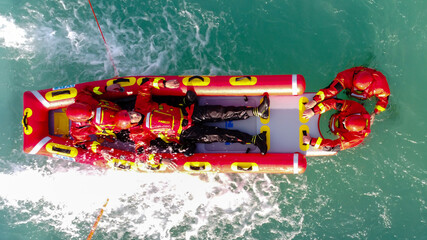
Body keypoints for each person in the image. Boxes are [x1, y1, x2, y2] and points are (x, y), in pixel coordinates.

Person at [120, 78, 269, 164]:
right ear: (130, 124)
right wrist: (160, 160)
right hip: (186, 132)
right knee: (221, 136)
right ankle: (256, 140)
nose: (134, 115)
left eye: (131, 113)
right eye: (131, 118)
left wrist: (164, 84)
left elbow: (145, 85)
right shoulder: (137, 134)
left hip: (188, 113)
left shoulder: (141, 105)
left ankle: (257, 111)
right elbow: (142, 155)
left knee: (221, 112)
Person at [305, 67, 390, 125]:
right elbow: (330, 90)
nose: (356, 90)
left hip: (367, 95)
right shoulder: (345, 77)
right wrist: (315, 100)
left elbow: (384, 100)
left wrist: (375, 113)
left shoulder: (380, 86)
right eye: (355, 88)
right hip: (352, 90)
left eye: (358, 90)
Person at [302, 99, 371, 151]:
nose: (343, 122)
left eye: (345, 124)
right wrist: (313, 111)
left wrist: (311, 141)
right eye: (345, 120)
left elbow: (332, 147)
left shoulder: (355, 138)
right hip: (342, 115)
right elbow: (333, 103)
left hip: (343, 133)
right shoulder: (356, 108)